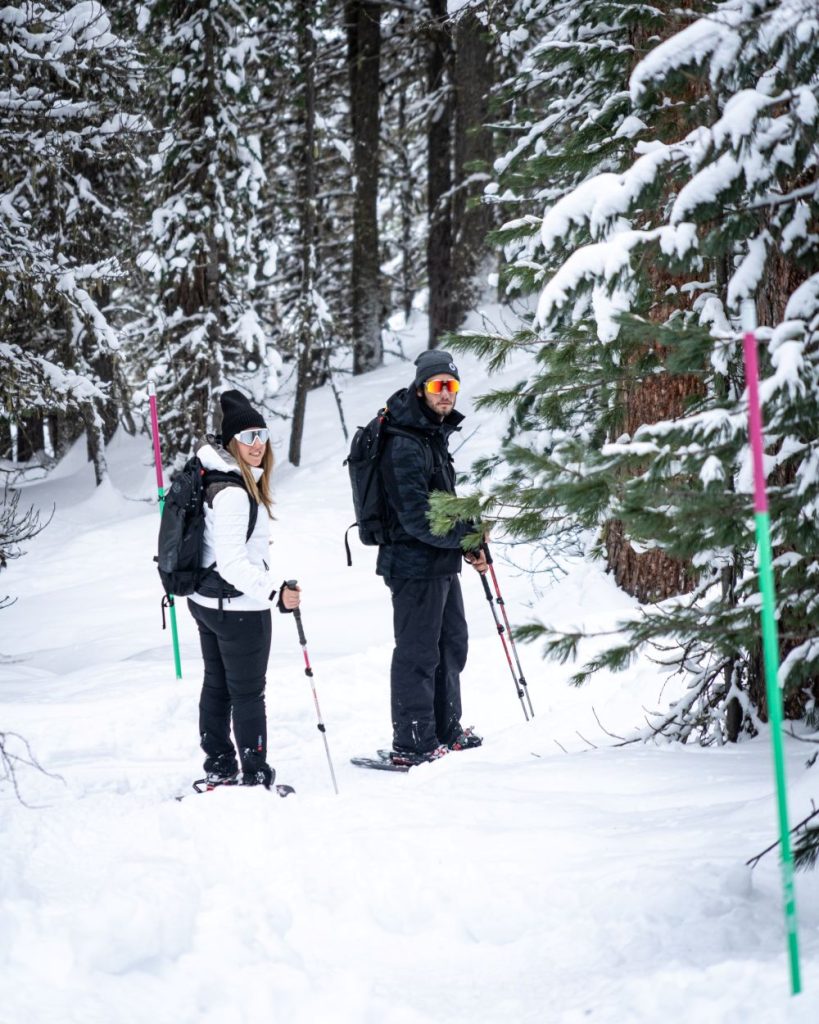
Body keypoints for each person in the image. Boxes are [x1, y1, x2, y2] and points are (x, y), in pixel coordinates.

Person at [377, 351, 488, 765]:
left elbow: (443, 503)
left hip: (439, 561)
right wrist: (464, 537)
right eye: (438, 385)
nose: (446, 394)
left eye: (451, 386)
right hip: (411, 565)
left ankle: (445, 729)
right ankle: (413, 742)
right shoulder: (403, 442)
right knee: (418, 653)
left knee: (451, 645)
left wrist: (471, 539)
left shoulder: (430, 434)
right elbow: (417, 518)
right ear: (422, 388)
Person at [187, 389, 300, 789]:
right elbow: (233, 563)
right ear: (232, 441)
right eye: (248, 436)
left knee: (217, 685)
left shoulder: (215, 477)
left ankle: (219, 765)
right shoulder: (234, 492)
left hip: (205, 601)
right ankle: (254, 772)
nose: (258, 444)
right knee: (248, 694)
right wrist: (275, 592)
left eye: (262, 434)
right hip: (238, 609)